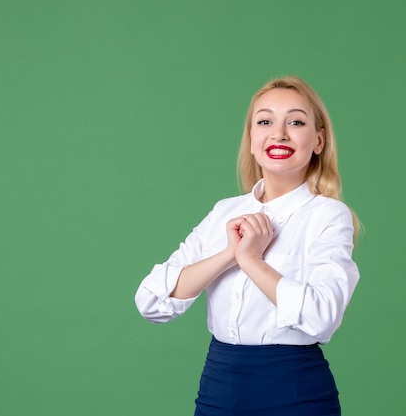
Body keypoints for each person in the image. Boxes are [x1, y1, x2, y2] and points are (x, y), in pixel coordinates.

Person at [135, 75, 360, 416]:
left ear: (318, 140)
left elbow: (322, 318)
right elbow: (151, 302)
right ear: (252, 139)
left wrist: (252, 260)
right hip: (219, 390)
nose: (279, 133)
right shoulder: (225, 213)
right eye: (265, 121)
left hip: (296, 393)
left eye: (296, 122)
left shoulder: (328, 215)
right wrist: (229, 254)